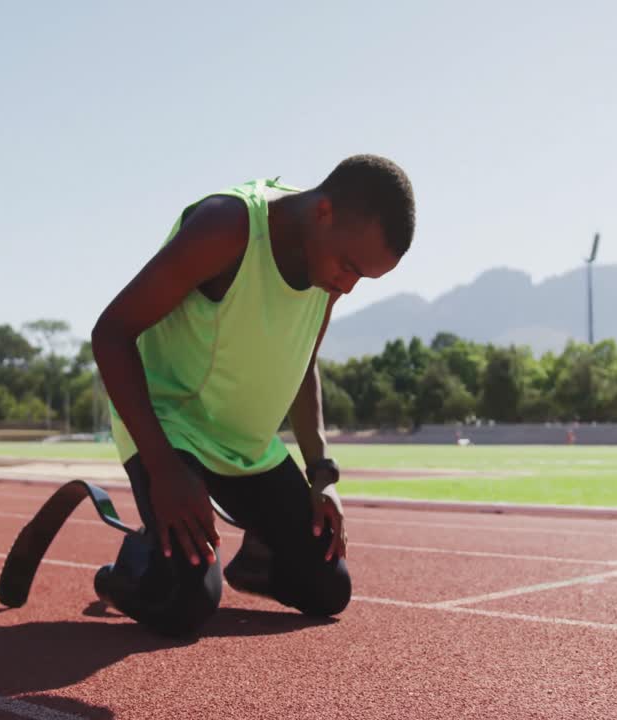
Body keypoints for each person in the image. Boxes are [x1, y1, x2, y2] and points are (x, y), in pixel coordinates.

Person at [89, 154, 416, 637]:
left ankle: (255, 562)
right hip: (172, 432)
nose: (347, 287)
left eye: (362, 279)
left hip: (248, 450)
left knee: (327, 589)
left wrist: (322, 474)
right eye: (348, 266)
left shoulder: (326, 271)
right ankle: (129, 570)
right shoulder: (227, 227)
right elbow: (111, 333)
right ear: (323, 211)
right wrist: (163, 468)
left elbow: (304, 363)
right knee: (187, 601)